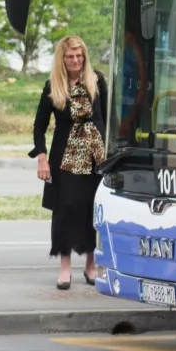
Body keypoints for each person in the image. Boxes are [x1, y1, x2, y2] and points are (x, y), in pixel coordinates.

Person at [29, 36, 109, 290]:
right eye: (70, 56)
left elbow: (108, 118)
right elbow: (39, 127)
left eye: (79, 55)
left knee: (92, 209)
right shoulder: (53, 86)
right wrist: (41, 158)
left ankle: (90, 264)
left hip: (97, 157)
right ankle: (65, 267)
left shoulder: (97, 80)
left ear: (84, 56)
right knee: (64, 209)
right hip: (64, 158)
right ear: (62, 59)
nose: (75, 60)